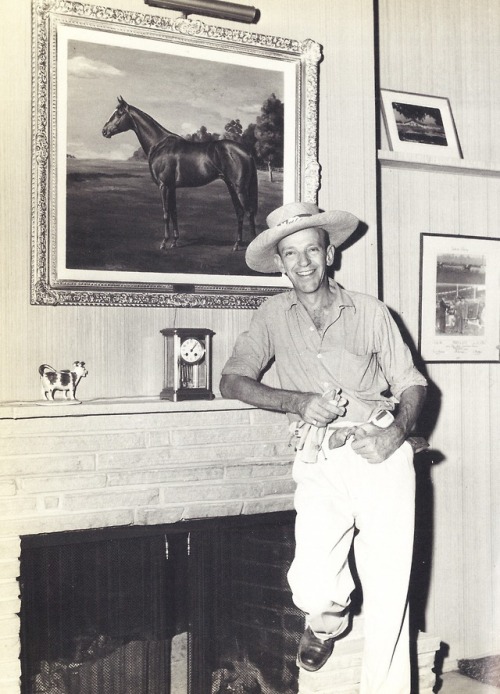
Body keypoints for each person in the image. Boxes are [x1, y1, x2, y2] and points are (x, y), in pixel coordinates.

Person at [220, 201, 427, 694]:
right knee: (313, 579)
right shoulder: (271, 315)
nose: (303, 262)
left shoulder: (372, 311)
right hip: (319, 456)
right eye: (291, 254)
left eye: (312, 250)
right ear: (281, 263)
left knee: (389, 587)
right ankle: (327, 621)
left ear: (329, 254)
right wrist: (296, 401)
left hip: (379, 447)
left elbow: (412, 384)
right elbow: (232, 381)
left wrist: (395, 433)